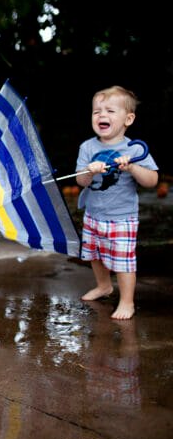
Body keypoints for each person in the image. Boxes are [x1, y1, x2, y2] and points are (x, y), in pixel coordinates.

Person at [76, 85, 158, 320]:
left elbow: (152, 180)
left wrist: (132, 167)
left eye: (110, 111)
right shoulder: (88, 147)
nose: (102, 115)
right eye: (96, 111)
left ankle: (127, 301)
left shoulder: (133, 149)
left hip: (122, 217)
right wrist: (89, 172)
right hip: (93, 214)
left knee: (122, 261)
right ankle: (104, 286)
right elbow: (81, 181)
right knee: (94, 255)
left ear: (128, 119)